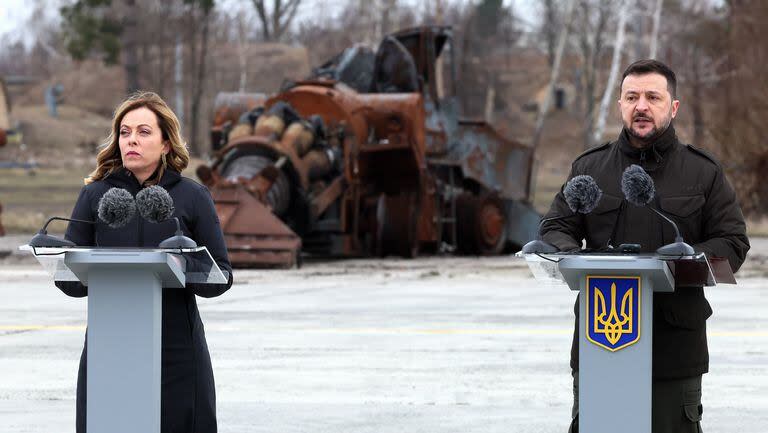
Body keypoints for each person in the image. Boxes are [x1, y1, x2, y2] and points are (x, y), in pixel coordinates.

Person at [541, 59, 750, 432]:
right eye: (632, 96)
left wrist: (689, 258)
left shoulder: (703, 172)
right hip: (602, 339)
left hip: (674, 351)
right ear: (620, 105)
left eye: (653, 97)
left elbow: (733, 241)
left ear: (673, 107)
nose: (641, 106)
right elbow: (556, 226)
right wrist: (573, 254)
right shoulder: (590, 168)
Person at [55, 91, 233, 433]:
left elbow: (221, 276)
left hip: (176, 351)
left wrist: (181, 265)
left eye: (143, 132)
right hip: (110, 346)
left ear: (166, 143)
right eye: (124, 132)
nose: (131, 140)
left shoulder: (193, 197)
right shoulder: (95, 196)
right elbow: (68, 279)